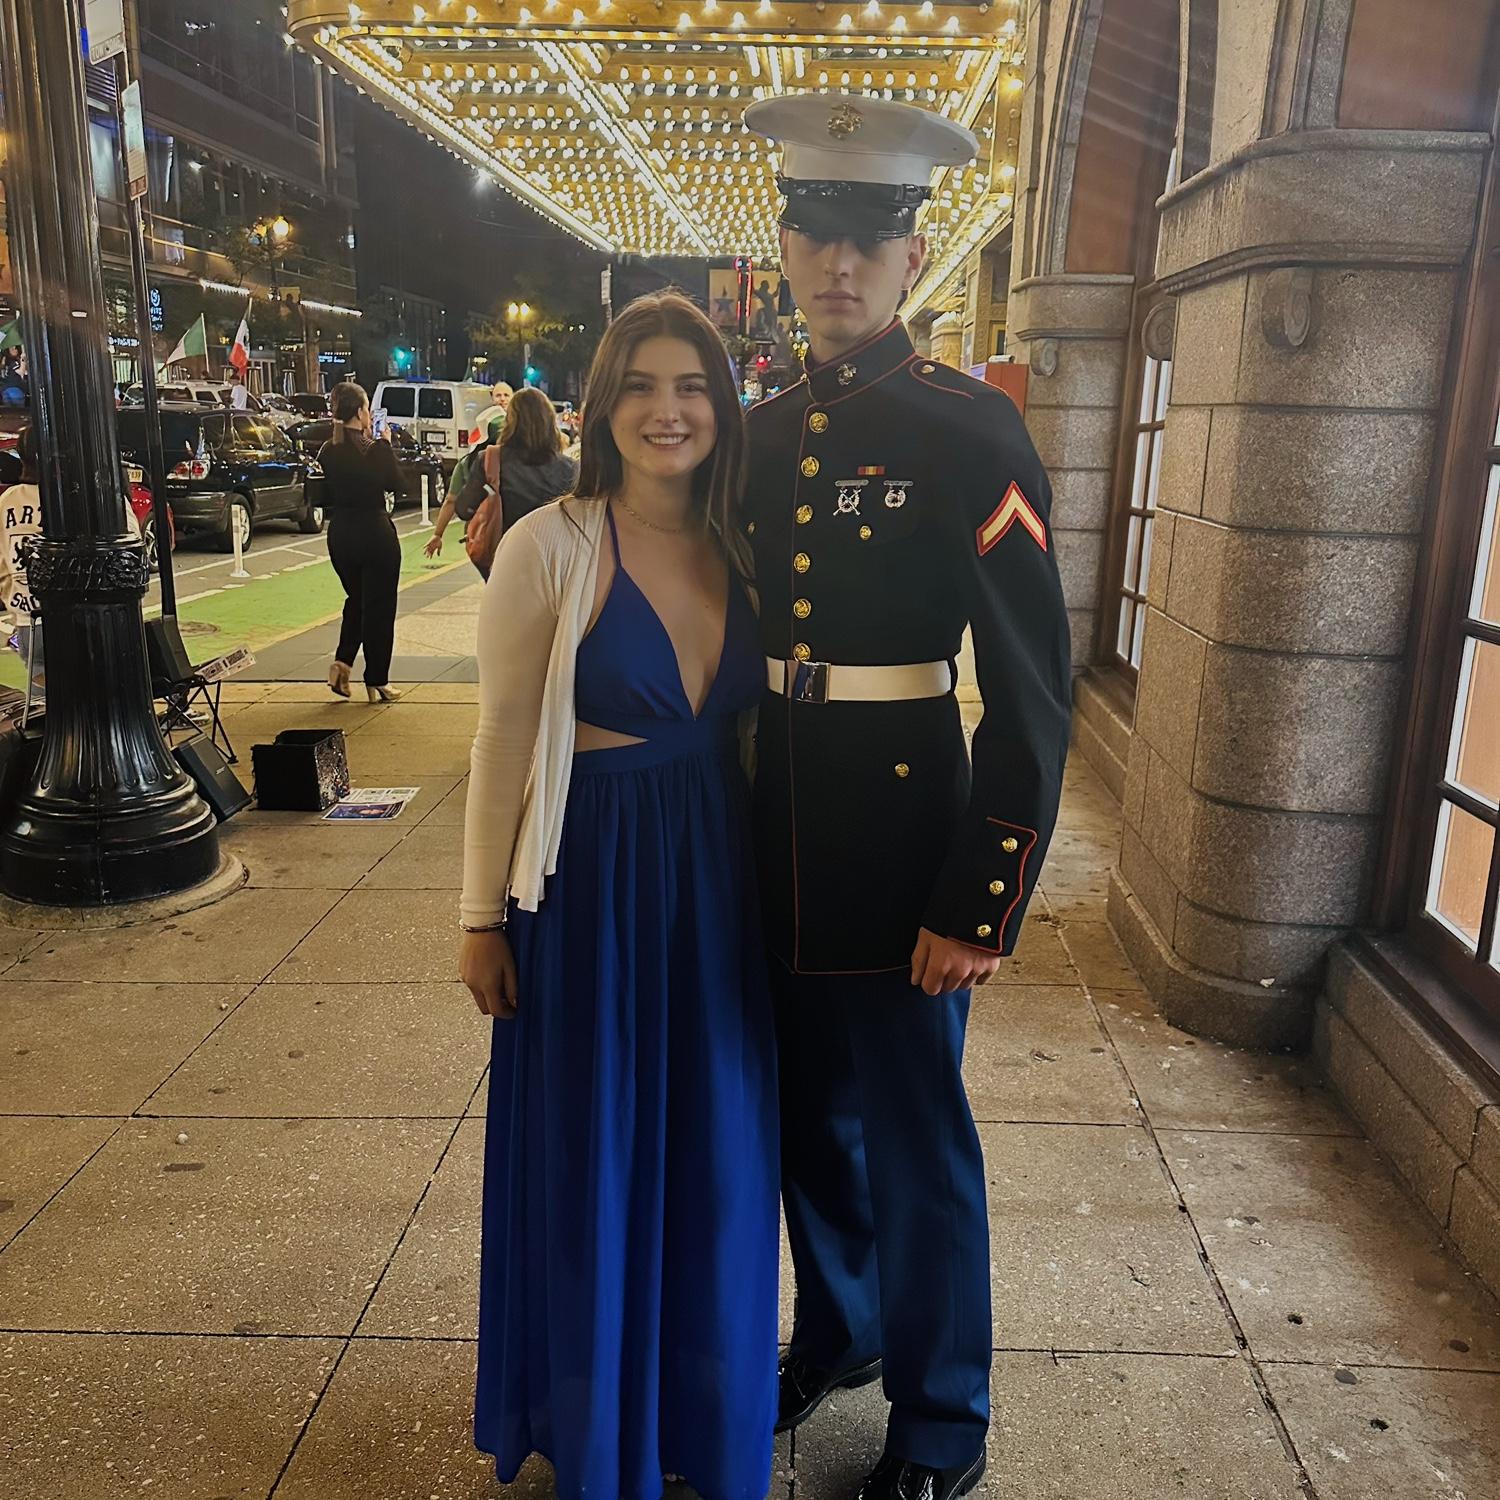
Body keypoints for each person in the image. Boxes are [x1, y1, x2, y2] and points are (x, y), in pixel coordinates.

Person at [741, 93, 1074, 1500]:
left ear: (913, 255)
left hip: (904, 830)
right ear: (782, 247)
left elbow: (1033, 685)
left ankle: (943, 1419)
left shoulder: (968, 431)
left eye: (868, 240)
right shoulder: (757, 436)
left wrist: (982, 894)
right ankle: (846, 1328)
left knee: (921, 1142)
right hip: (774, 828)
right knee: (808, 1120)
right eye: (814, 233)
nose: (839, 264)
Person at [459, 291, 778, 1500]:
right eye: (640, 386)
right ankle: (599, 1430)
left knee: (716, 1156)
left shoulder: (746, 540)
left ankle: (700, 1416)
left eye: (691, 385)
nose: (667, 409)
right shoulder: (550, 544)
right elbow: (501, 737)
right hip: (589, 883)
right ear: (601, 409)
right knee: (597, 1155)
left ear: (722, 405)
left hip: (719, 879)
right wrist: (480, 918)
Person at [316, 381, 407, 702]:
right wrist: (387, 445)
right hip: (374, 533)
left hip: (341, 534)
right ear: (359, 412)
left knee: (357, 598)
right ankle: (377, 679)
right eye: (367, 407)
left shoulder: (328, 450)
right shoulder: (375, 448)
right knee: (379, 607)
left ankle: (342, 664)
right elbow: (396, 483)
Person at [424, 387, 577, 572]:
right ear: (550, 422)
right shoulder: (570, 468)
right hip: (554, 562)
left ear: (510, 422)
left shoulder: (490, 460)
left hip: (505, 559)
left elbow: (464, 509)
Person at [0, 424, 44, 695]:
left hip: (27, 618)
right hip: (66, 617)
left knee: (41, 700)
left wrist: (13, 598)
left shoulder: (7, 501)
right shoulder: (65, 500)